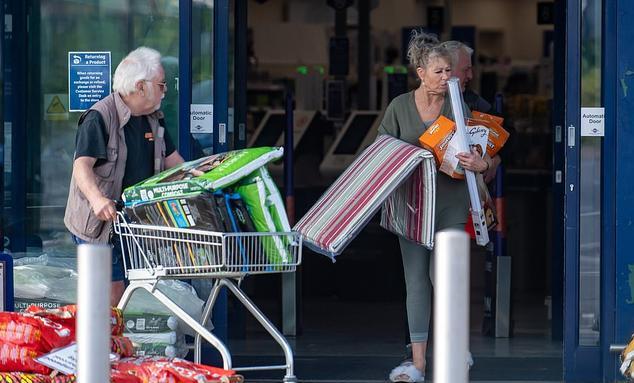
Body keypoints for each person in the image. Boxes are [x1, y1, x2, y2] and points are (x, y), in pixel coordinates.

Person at [379, 31, 492, 383]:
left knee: (445, 279)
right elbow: (380, 154)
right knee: (416, 281)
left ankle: (454, 349)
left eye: (449, 72)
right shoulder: (399, 107)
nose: (447, 78)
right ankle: (418, 363)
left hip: (450, 202)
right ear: (420, 73)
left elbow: (482, 152)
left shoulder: (460, 106)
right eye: (439, 72)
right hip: (411, 205)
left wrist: (481, 164)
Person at [64, 47, 184, 306]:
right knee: (113, 292)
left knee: (130, 292)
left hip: (132, 224)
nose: (165, 90)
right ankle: (106, 345)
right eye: (161, 84)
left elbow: (175, 164)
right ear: (140, 86)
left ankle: (119, 343)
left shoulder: (154, 119)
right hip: (99, 224)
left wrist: (203, 179)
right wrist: (98, 200)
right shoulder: (99, 116)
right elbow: (81, 166)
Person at [441, 40, 502, 183]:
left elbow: (505, 131)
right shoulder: (418, 103)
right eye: (465, 70)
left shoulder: (472, 100)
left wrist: (494, 159)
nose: (471, 76)